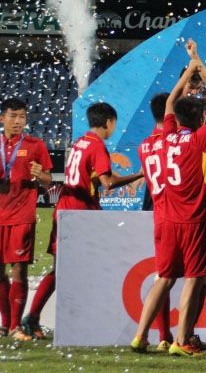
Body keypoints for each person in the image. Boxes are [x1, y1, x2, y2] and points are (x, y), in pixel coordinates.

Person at [131, 57, 206, 356]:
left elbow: (169, 102)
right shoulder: (196, 142)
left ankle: (140, 336)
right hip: (191, 221)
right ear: (201, 119)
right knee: (194, 278)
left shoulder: (164, 137)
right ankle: (181, 340)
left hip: (163, 220)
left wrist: (191, 69)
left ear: (177, 119)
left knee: (164, 278)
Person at [22, 102, 143, 339]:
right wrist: (138, 174)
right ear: (109, 122)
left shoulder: (80, 142)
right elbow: (107, 183)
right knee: (89, 267)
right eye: (114, 124)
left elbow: (95, 177)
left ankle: (35, 317)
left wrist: (129, 178)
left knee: (63, 270)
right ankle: (83, 319)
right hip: (81, 215)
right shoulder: (98, 146)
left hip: (66, 211)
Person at [0, 98, 52, 340]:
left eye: (21, 116)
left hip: (22, 216)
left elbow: (49, 181)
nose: (17, 121)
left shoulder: (35, 145)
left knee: (19, 270)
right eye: (12, 116)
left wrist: (39, 174)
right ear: (2, 118)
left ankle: (15, 327)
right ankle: (5, 323)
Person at [132, 93, 174, 352]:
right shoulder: (173, 141)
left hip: (155, 207)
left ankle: (161, 334)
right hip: (176, 213)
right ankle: (166, 335)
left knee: (163, 276)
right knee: (172, 277)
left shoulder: (146, 143)